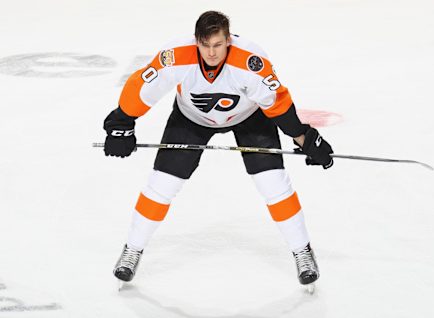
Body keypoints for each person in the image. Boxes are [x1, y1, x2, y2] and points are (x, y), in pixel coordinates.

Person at [103, 10, 334, 291]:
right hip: (191, 119)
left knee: (272, 184)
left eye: (218, 45)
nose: (211, 53)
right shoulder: (176, 55)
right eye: (205, 45)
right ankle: (132, 250)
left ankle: (303, 252)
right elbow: (142, 87)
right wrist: (121, 122)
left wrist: (304, 138)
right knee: (161, 184)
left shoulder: (251, 62)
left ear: (228, 40)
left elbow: (277, 103)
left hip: (250, 118)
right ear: (196, 40)